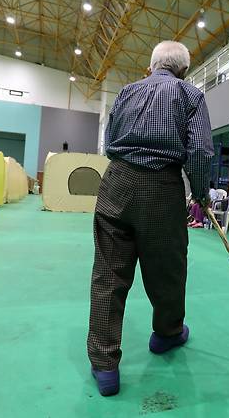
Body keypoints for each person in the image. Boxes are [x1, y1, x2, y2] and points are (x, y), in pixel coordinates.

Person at [88, 40, 213, 396]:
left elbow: (109, 137)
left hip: (116, 182)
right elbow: (201, 151)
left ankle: (104, 365)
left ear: (151, 66)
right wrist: (201, 194)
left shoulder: (127, 92)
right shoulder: (190, 95)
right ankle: (167, 334)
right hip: (161, 186)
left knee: (108, 274)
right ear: (184, 69)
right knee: (167, 268)